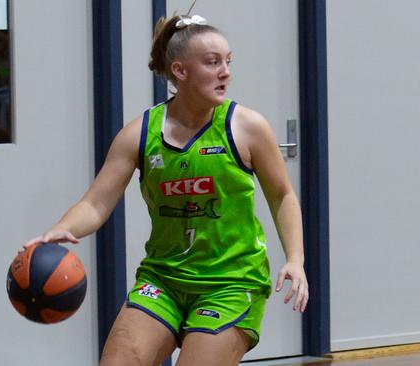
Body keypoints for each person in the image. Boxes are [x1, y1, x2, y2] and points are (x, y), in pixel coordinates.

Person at [25, 14, 308, 366]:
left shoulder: (247, 127)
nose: (226, 73)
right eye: (212, 62)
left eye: (228, 62)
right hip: (163, 279)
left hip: (230, 283)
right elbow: (96, 204)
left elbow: (283, 195)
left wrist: (295, 259)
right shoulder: (139, 134)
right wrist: (59, 230)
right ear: (180, 70)